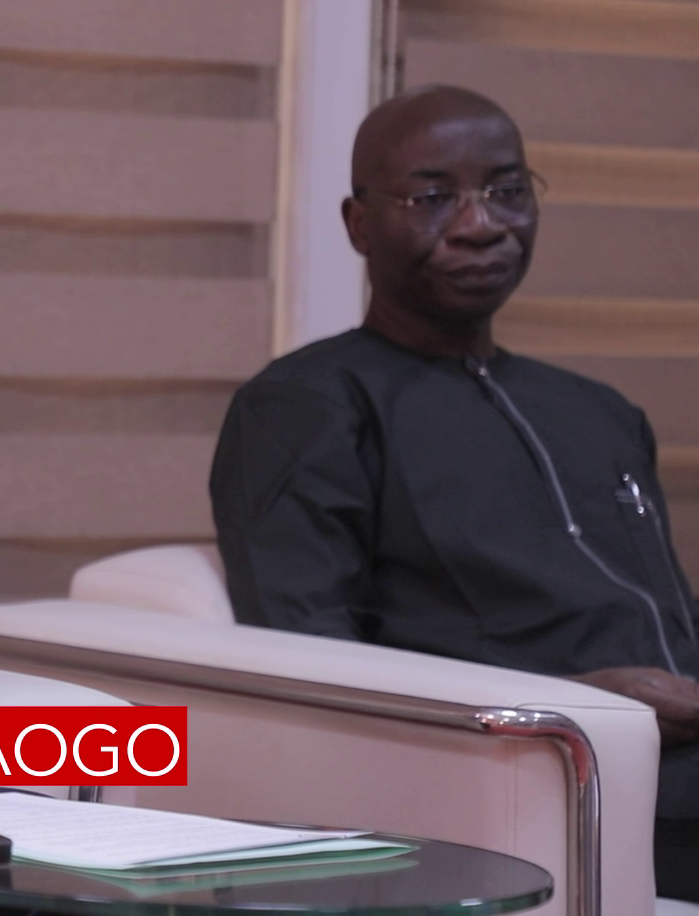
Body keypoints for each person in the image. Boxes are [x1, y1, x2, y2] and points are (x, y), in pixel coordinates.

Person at [210, 85, 699, 900]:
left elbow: (665, 614)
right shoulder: (307, 405)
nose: (481, 224)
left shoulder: (599, 412)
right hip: (551, 783)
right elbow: (309, 668)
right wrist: (574, 703)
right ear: (359, 224)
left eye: (507, 189)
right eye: (432, 198)